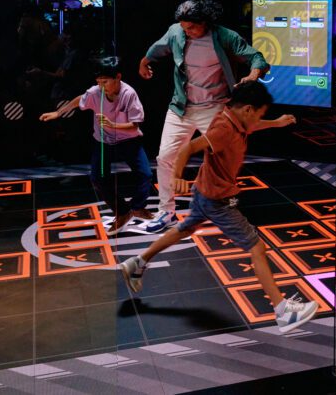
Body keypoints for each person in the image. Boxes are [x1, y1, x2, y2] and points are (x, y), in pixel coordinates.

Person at [117, 81, 318, 333]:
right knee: (257, 247)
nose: (259, 119)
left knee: (184, 228)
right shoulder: (224, 128)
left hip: (204, 192)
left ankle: (139, 261)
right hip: (217, 200)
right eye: (259, 113)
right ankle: (284, 312)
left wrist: (275, 122)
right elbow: (189, 147)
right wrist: (177, 175)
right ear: (246, 110)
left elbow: (252, 125)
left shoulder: (235, 118)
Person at [138, 0, 269, 233]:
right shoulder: (177, 32)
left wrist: (253, 75)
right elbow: (158, 47)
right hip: (181, 108)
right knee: (165, 157)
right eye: (185, 27)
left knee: (224, 158)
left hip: (215, 108)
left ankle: (225, 204)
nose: (187, 31)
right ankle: (166, 212)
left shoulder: (223, 36)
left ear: (205, 22)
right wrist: (144, 61)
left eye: (192, 27)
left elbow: (256, 57)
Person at [40, 56, 152, 230]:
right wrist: (59, 113)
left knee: (145, 174)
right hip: (104, 141)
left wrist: (112, 124)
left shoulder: (128, 94)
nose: (102, 85)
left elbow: (134, 125)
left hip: (129, 140)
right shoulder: (95, 92)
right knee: (98, 179)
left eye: (105, 81)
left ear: (118, 77)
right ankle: (122, 211)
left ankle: (137, 207)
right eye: (99, 81)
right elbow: (80, 99)